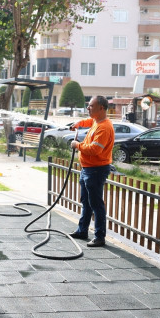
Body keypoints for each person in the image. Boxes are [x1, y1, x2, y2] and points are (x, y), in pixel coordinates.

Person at [68, 95, 115, 247]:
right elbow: (89, 121)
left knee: (96, 204)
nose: (88, 108)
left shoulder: (104, 127)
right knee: (86, 203)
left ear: (101, 108)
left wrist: (77, 145)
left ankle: (100, 237)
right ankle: (82, 231)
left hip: (96, 170)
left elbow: (94, 150)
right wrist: (78, 123)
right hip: (87, 169)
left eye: (91, 106)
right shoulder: (97, 121)